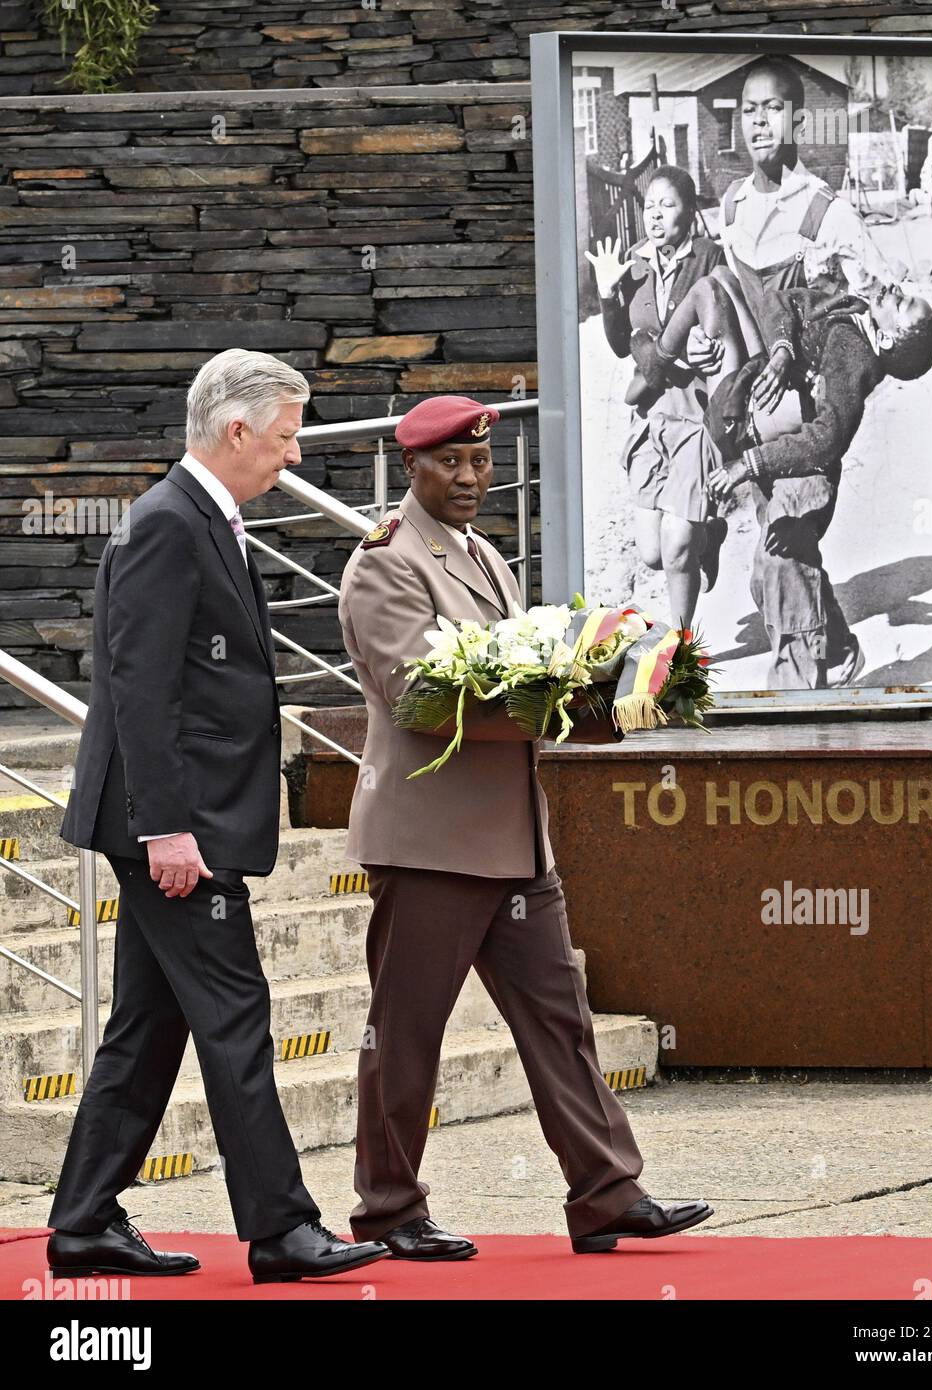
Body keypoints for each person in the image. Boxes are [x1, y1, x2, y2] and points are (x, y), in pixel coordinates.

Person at [337, 394, 715, 1257]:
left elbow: (527, 676)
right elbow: (421, 699)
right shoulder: (385, 564)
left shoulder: (486, 558)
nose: (471, 478)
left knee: (561, 1020)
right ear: (413, 469)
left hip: (513, 840)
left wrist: (616, 697)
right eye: (450, 464)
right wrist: (571, 714)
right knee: (405, 1034)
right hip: (431, 843)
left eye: (480, 463)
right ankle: (389, 1212)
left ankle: (607, 1193)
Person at [47, 349, 390, 1285]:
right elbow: (140, 689)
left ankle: (83, 1223)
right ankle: (281, 1228)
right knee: (236, 1017)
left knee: (146, 1029)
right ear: (236, 431)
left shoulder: (204, 518)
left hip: (184, 821)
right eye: (284, 440)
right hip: (172, 829)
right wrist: (166, 830)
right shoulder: (168, 524)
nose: (294, 460)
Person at [716, 55, 907, 688]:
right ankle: (837, 649)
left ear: (797, 118)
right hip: (752, 414)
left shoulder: (830, 213)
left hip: (809, 423)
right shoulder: (732, 206)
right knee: (773, 563)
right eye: (749, 110)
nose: (759, 121)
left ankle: (795, 701)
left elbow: (877, 319)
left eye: (772, 108)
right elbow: (733, 306)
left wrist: (830, 374)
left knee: (779, 558)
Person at [585, 166, 728, 627]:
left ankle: (682, 643)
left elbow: (726, 328)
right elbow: (619, 340)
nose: (656, 215)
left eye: (668, 205)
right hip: (649, 410)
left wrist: (710, 344)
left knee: (676, 542)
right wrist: (609, 294)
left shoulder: (711, 257)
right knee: (651, 553)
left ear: (689, 210)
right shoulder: (635, 261)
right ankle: (710, 535)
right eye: (650, 206)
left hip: (695, 410)